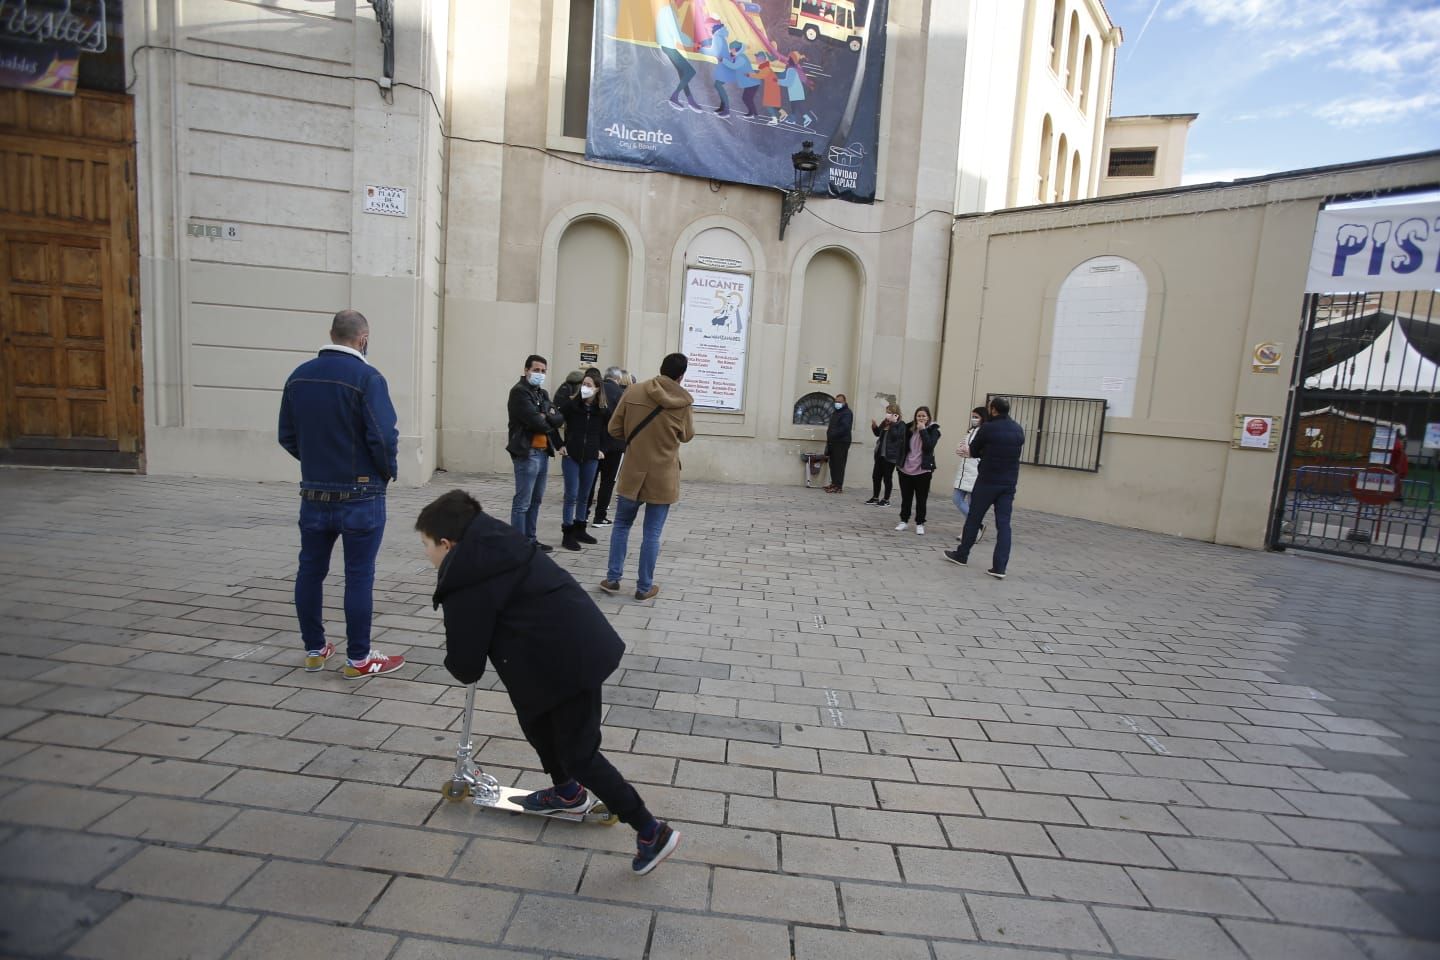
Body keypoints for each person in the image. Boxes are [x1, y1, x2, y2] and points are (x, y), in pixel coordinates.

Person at [417, 490, 681, 876]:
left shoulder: (464, 578)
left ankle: (650, 830)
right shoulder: (496, 542)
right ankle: (568, 792)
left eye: (426, 546)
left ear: (447, 543)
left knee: (581, 754)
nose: (426, 554)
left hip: (569, 664)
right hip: (561, 654)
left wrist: (459, 656)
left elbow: (466, 666)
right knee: (536, 722)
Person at [278, 309, 405, 678]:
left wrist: (317, 464)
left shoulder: (298, 377)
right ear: (363, 338)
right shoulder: (368, 378)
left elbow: (287, 435)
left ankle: (314, 649)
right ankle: (359, 658)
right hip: (361, 494)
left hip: (314, 492)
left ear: (331, 334)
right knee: (359, 575)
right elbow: (383, 436)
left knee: (310, 571)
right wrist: (385, 472)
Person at [601, 353, 695, 601]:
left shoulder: (633, 391)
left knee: (621, 525)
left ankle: (612, 579)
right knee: (651, 534)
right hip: (663, 476)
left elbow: (613, 428)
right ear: (681, 375)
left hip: (633, 470)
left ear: (661, 368)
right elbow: (687, 436)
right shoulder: (682, 403)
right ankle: (644, 588)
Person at [945, 396, 1026, 579]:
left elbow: (973, 450)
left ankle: (962, 555)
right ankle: (999, 567)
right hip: (1008, 483)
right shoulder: (1018, 429)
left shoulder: (987, 428)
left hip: (988, 481)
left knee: (974, 519)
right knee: (1004, 524)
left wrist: (979, 451)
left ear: (994, 410)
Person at [506, 355, 565, 552]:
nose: (540, 374)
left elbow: (559, 419)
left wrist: (545, 414)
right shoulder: (519, 393)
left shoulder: (542, 393)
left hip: (542, 451)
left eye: (543, 371)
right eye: (536, 370)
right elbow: (536, 421)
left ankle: (530, 539)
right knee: (523, 502)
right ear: (526, 370)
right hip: (527, 451)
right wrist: (547, 415)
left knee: (536, 500)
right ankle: (518, 544)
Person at [558, 368, 610, 551]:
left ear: (597, 389)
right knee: (571, 495)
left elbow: (608, 432)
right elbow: (553, 422)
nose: (584, 387)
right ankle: (567, 533)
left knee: (585, 495)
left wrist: (602, 449)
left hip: (591, 458)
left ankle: (581, 528)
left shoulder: (602, 410)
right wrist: (560, 444)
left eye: (588, 385)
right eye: (583, 384)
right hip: (571, 455)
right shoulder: (571, 405)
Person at [588, 367, 629, 527]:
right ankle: (600, 516)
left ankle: (583, 514)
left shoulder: (596, 390)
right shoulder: (622, 394)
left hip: (596, 443)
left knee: (590, 480)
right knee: (608, 481)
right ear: (618, 379)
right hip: (616, 444)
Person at [894, 406, 940, 536]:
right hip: (906, 468)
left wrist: (923, 431)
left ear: (928, 417)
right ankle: (903, 520)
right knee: (906, 497)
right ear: (915, 417)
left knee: (921, 498)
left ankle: (920, 523)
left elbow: (929, 446)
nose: (921, 418)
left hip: (923, 470)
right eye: (919, 416)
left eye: (924, 416)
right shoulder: (909, 428)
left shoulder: (934, 430)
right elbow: (900, 443)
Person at [952, 406, 988, 541]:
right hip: (964, 471)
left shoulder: (984, 432)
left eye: (977, 417)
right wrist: (960, 449)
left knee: (972, 505)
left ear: (983, 418)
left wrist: (970, 451)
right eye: (973, 416)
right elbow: (963, 446)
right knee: (957, 499)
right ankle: (976, 526)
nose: (974, 419)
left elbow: (981, 451)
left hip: (975, 472)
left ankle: (971, 531)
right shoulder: (970, 432)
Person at [866, 402, 904, 506]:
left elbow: (897, 437)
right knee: (876, 476)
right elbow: (878, 433)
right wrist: (874, 427)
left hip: (890, 456)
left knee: (887, 477)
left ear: (896, 414)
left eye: (890, 412)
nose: (887, 414)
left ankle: (886, 499)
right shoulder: (885, 422)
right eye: (887, 412)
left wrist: (893, 424)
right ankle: (875, 497)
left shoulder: (900, 425)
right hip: (880, 454)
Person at [823, 393, 854, 493]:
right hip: (833, 442)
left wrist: (833, 434)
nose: (837, 403)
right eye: (836, 401)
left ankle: (838, 486)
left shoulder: (847, 413)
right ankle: (834, 483)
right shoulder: (836, 412)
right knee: (833, 464)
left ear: (844, 402)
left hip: (841, 442)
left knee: (839, 464)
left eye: (839, 402)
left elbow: (844, 428)